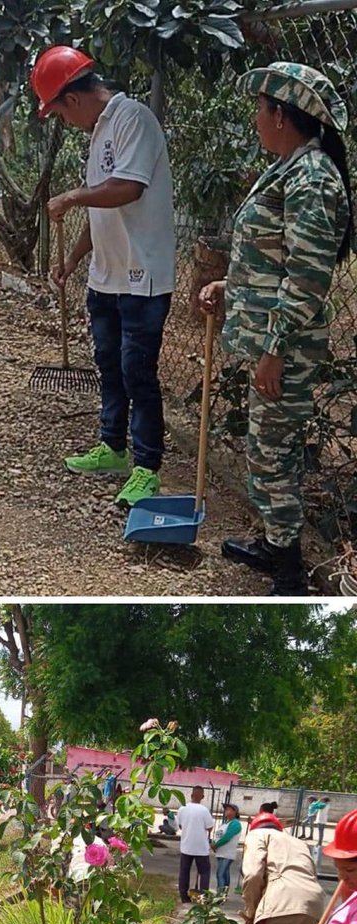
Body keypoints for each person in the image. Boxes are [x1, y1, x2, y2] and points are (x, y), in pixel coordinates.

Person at [198, 64, 352, 596]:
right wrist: (229, 286)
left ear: (281, 115)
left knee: (271, 453)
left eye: (260, 109)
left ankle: (289, 574)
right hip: (274, 338)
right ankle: (274, 544)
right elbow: (275, 258)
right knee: (270, 449)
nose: (255, 119)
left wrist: (275, 350)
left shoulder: (311, 179)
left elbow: (307, 279)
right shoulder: (290, 166)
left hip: (288, 345)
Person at [33, 46, 176, 509]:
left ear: (72, 100)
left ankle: (147, 468)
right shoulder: (99, 133)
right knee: (109, 368)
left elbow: (128, 189)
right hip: (106, 276)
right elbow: (103, 210)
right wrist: (75, 258)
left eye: (57, 112)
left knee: (138, 373)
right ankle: (113, 448)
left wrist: (71, 197)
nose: (62, 121)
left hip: (142, 277)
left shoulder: (132, 119)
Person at [176, 786, 215, 902]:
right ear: (202, 797)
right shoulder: (204, 810)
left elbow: (180, 826)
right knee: (204, 872)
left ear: (191, 795)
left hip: (186, 846)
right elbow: (209, 827)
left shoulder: (182, 808)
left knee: (184, 871)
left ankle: (183, 896)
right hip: (201, 848)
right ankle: (202, 897)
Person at [213, 801, 243, 894]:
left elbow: (227, 837)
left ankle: (220, 895)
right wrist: (214, 843)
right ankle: (224, 894)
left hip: (227, 853)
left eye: (229, 809)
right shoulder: (225, 823)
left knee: (220, 874)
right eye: (226, 809)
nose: (226, 810)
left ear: (235, 812)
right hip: (221, 852)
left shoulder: (235, 824)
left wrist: (216, 845)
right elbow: (218, 836)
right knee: (225, 873)